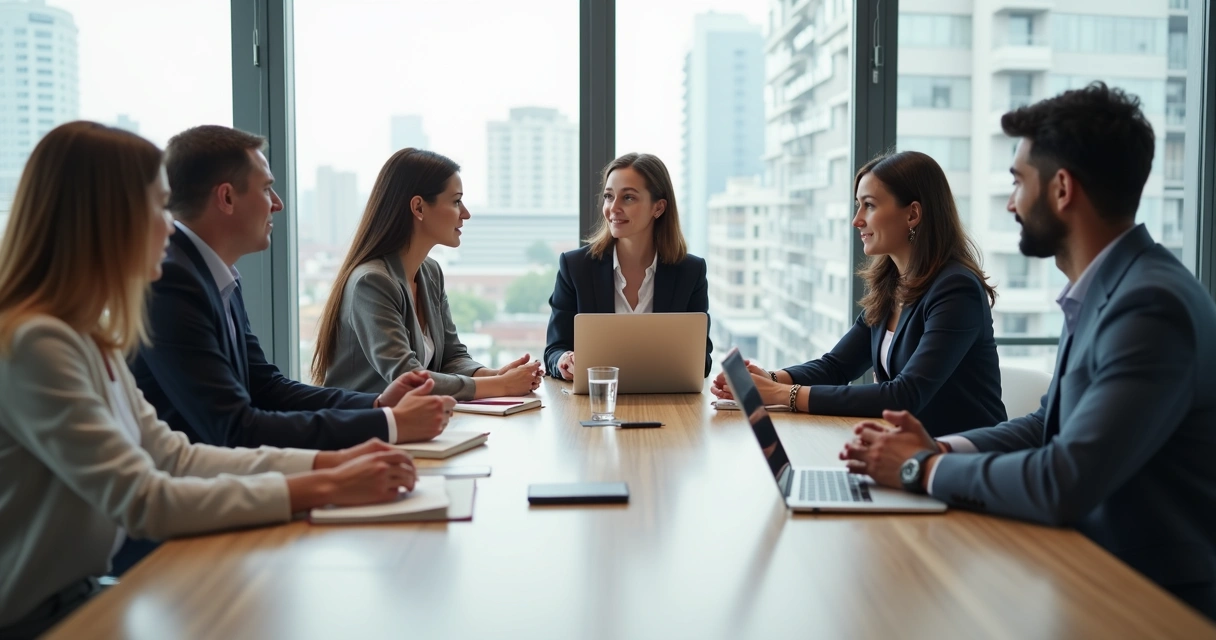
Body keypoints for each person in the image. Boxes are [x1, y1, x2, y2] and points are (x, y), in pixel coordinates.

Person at [0, 122, 420, 639]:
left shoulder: (86, 335)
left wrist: (334, 460)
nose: (170, 225)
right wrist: (327, 482)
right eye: (159, 206)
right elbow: (146, 500)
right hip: (38, 619)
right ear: (108, 219)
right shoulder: (36, 344)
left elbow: (177, 457)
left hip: (80, 594)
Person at [841, 83, 1216, 620]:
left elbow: (1064, 479)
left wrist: (919, 470)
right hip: (1084, 567)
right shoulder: (1111, 287)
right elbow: (1047, 424)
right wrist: (943, 451)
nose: (1011, 201)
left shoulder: (1150, 306)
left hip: (1145, 600)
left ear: (1062, 189)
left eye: (1018, 181)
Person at [129, 126, 456, 450]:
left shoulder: (214, 273)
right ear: (227, 197)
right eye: (267, 188)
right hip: (194, 491)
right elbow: (235, 428)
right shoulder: (171, 281)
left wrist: (377, 405)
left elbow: (267, 388)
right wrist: (388, 424)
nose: (277, 204)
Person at [710, 151, 1006, 436]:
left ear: (913, 214)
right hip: (908, 452)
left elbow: (905, 395)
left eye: (870, 205)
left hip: (965, 462)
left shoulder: (956, 289)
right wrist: (769, 378)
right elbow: (837, 366)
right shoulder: (892, 285)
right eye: (858, 205)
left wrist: (782, 393)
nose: (857, 220)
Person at [312, 148, 542, 399]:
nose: (465, 213)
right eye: (456, 201)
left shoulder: (430, 272)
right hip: (364, 429)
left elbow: (452, 357)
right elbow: (408, 378)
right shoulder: (372, 282)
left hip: (413, 425)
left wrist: (495, 375)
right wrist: (503, 386)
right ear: (419, 207)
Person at [545, 152, 712, 379]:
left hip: (667, 402)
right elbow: (554, 350)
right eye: (608, 196)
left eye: (628, 198)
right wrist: (564, 361)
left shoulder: (690, 272)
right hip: (596, 402)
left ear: (658, 208)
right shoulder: (575, 267)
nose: (613, 208)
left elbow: (702, 360)